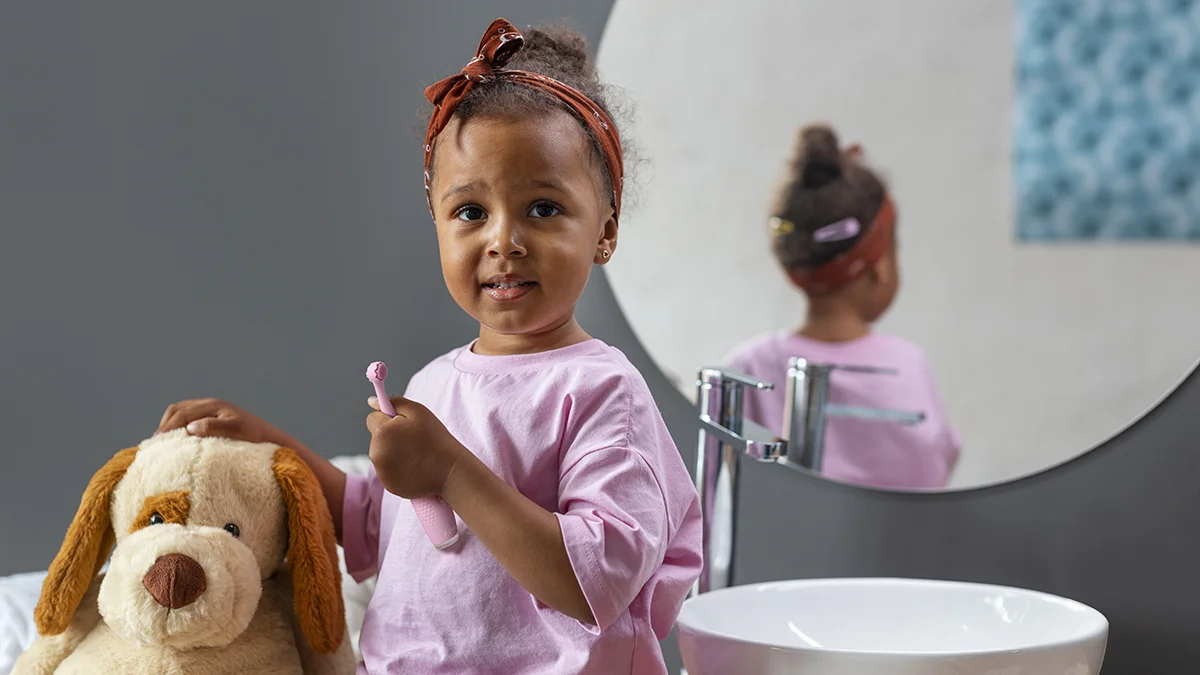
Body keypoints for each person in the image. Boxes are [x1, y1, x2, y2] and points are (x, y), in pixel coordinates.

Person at [157, 18, 702, 674]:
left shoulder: (601, 390)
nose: (504, 240)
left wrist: (448, 469)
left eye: (544, 208)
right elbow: (382, 528)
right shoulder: (437, 382)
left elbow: (594, 582)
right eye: (471, 212)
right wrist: (271, 448)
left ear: (605, 231)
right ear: (438, 226)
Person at [724, 124, 960, 489]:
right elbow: (936, 470)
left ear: (793, 267)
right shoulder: (909, 365)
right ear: (880, 268)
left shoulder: (747, 366)